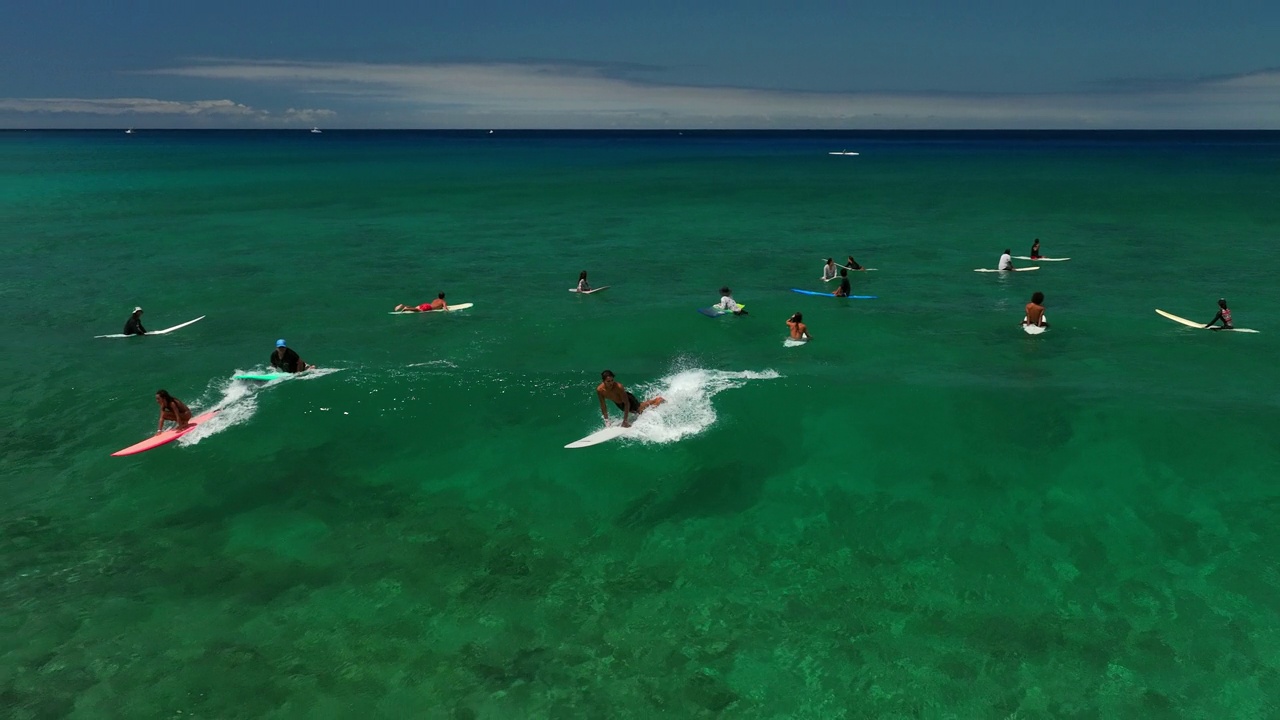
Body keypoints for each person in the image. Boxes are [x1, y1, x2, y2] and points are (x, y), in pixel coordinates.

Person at [596, 370, 665, 428]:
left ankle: (659, 400)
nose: (611, 383)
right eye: (608, 381)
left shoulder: (618, 387)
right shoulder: (600, 390)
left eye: (612, 380)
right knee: (640, 409)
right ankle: (654, 400)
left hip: (628, 400)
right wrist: (607, 420)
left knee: (640, 411)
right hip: (619, 404)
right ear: (603, 381)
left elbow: (627, 403)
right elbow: (603, 405)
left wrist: (625, 420)